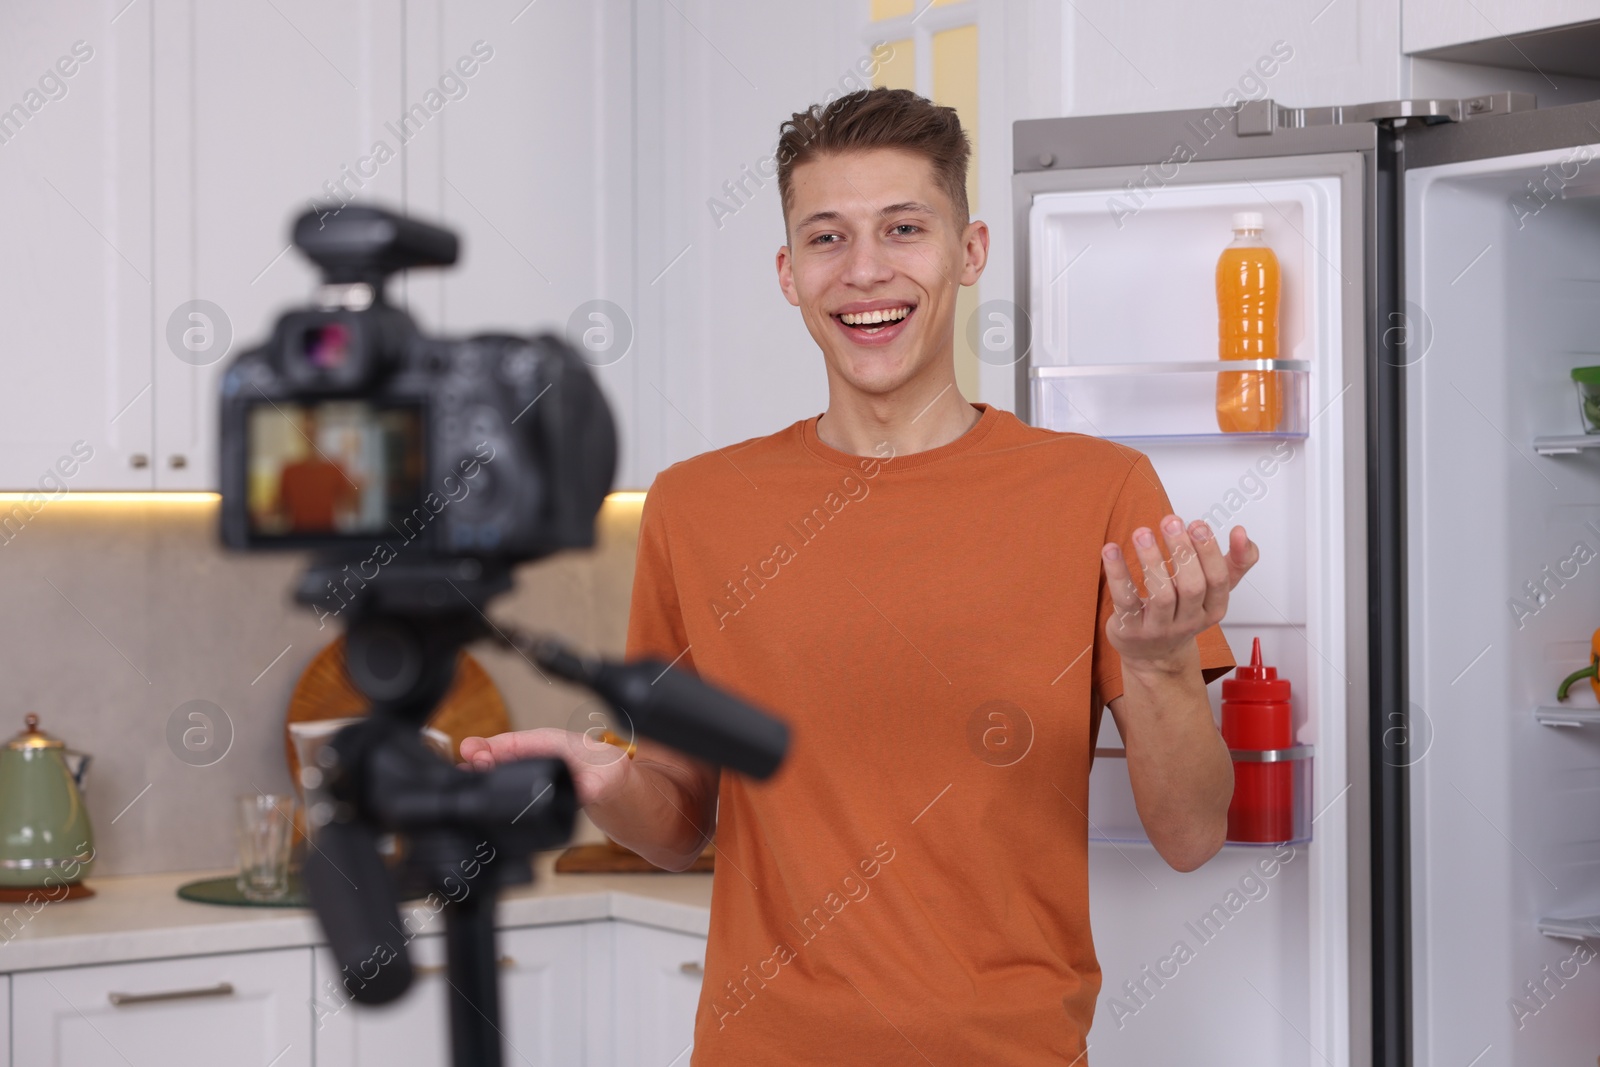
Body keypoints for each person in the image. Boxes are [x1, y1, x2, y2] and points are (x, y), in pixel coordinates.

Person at [462, 86, 1258, 1065]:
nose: (865, 270)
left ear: (968, 253)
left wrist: (1166, 666)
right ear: (788, 271)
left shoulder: (1098, 492)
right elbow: (675, 823)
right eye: (827, 237)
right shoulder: (696, 505)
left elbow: (1189, 831)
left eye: (903, 228)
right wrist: (602, 778)